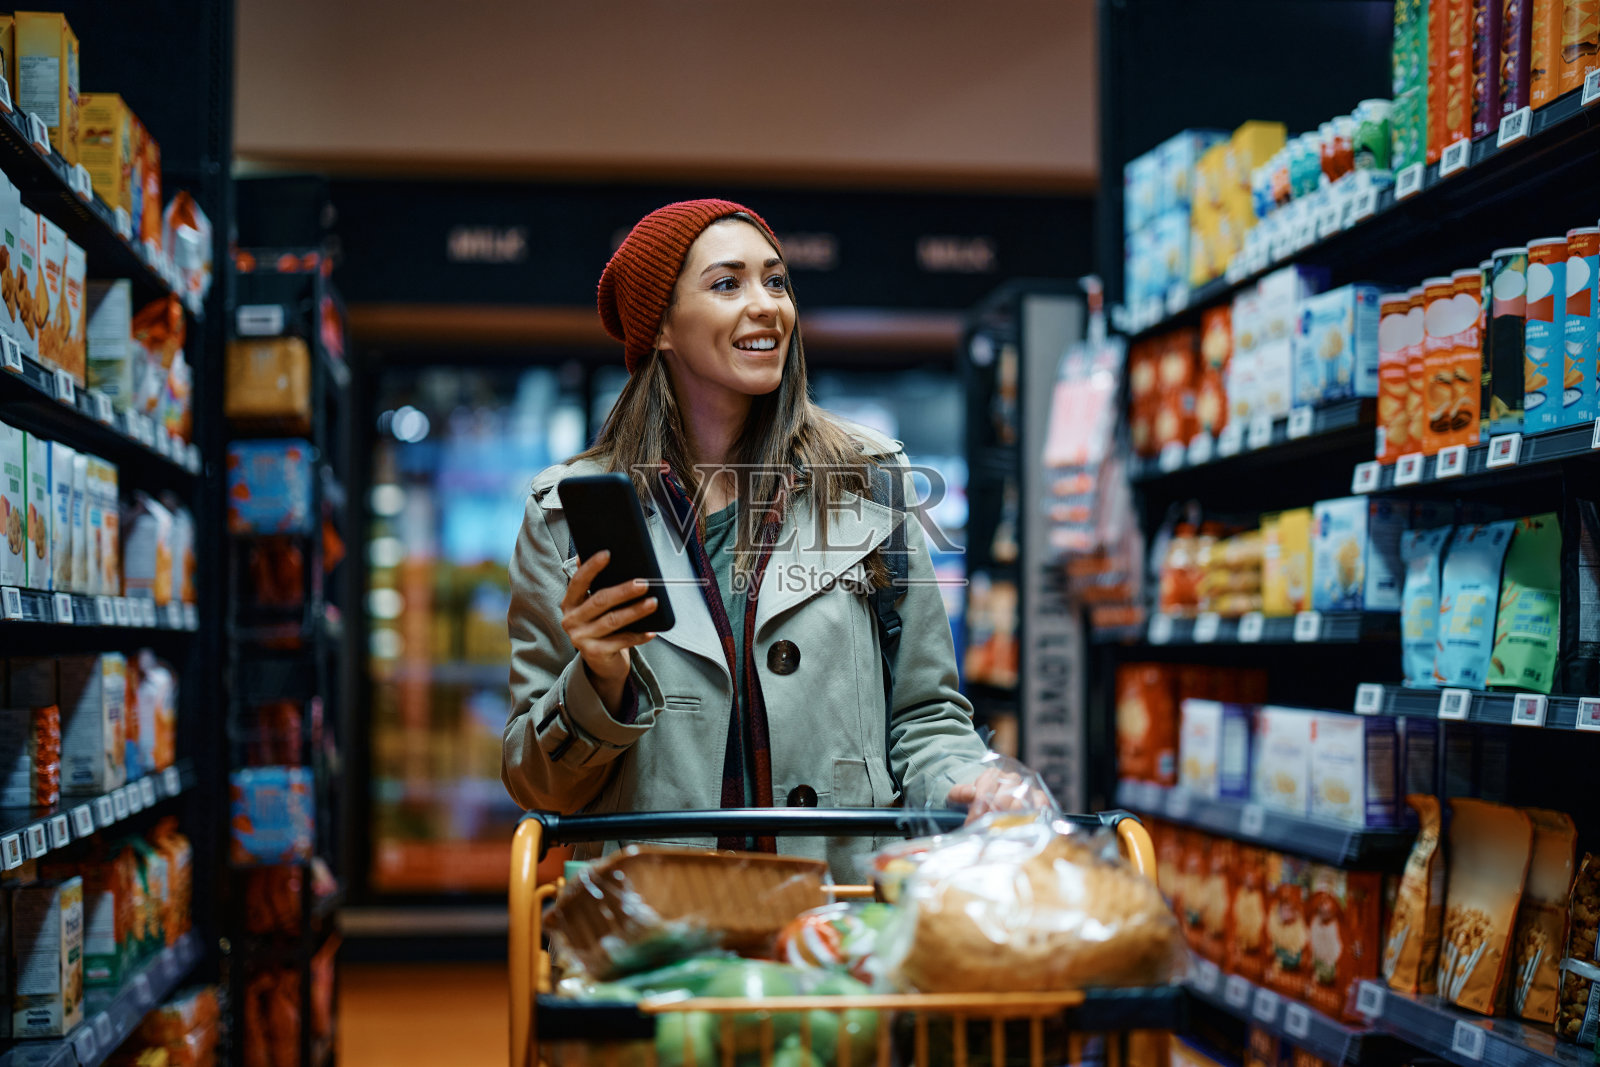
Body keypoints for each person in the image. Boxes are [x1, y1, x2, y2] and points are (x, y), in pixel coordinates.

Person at [501, 198, 1027, 880]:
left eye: (776, 281)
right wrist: (599, 679)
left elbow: (925, 713)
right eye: (728, 284)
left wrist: (961, 779)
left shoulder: (872, 483)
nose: (767, 305)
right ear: (660, 325)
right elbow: (538, 785)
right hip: (653, 934)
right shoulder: (565, 517)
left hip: (838, 915)